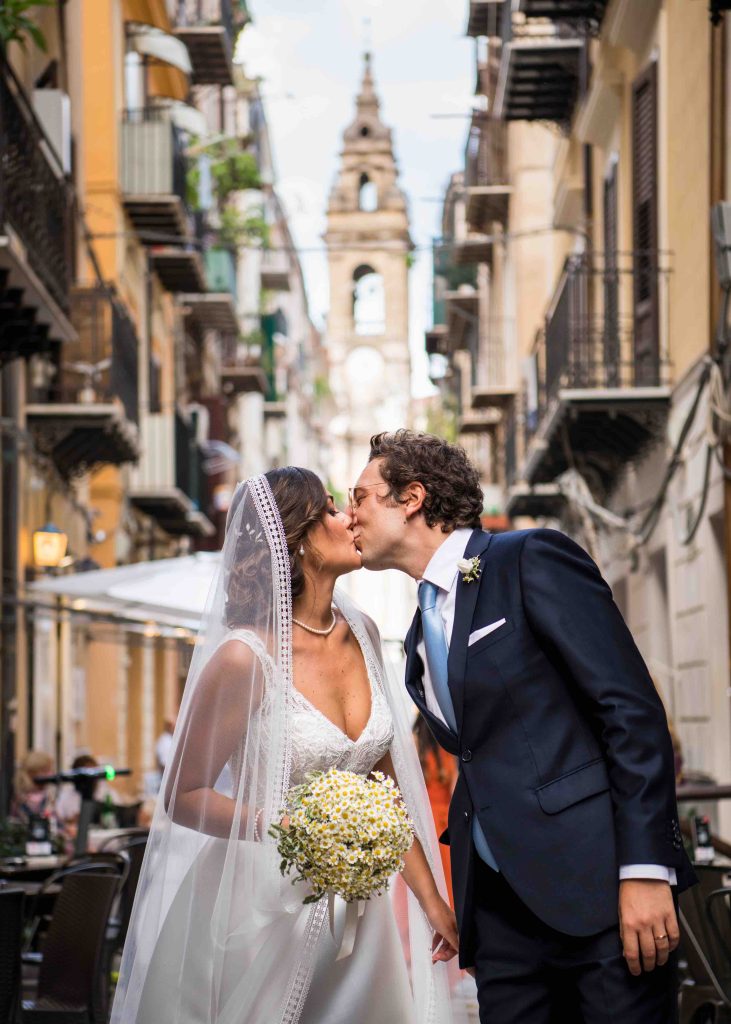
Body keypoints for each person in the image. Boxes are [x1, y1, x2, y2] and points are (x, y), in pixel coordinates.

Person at [350, 430, 696, 1024]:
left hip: (602, 895)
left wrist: (644, 869)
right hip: (500, 917)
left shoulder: (530, 558)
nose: (348, 513)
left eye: (359, 496)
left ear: (411, 498)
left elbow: (630, 711)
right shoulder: (416, 635)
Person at [111, 469, 466, 1024]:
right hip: (257, 909)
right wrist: (292, 829)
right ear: (297, 540)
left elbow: (386, 787)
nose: (347, 516)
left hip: (357, 913)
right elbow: (184, 793)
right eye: (328, 510)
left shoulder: (365, 631)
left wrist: (430, 902)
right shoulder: (244, 657)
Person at [11, 750, 55, 823]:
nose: (51, 774)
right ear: (32, 772)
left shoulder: (48, 795)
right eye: (45, 771)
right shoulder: (19, 798)